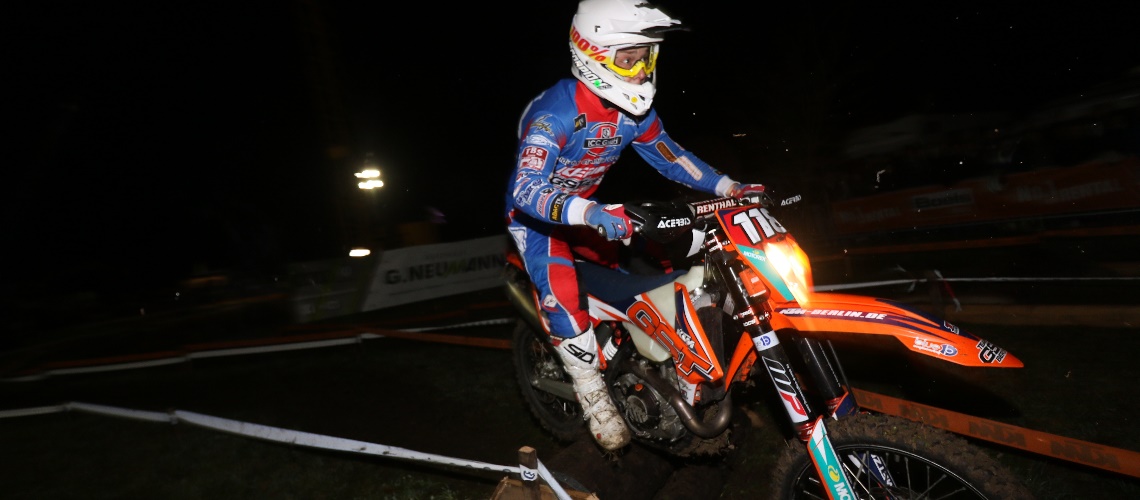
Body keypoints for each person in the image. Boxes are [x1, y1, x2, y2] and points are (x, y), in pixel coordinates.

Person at [503, 0, 766, 451]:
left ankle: (654, 376)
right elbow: (524, 189)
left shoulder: (633, 114)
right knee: (563, 292)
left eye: (646, 56)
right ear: (591, 54)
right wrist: (590, 213)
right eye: (629, 58)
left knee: (632, 290)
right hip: (539, 219)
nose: (641, 69)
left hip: (589, 211)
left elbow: (671, 157)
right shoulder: (556, 113)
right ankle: (592, 394)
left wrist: (730, 187)